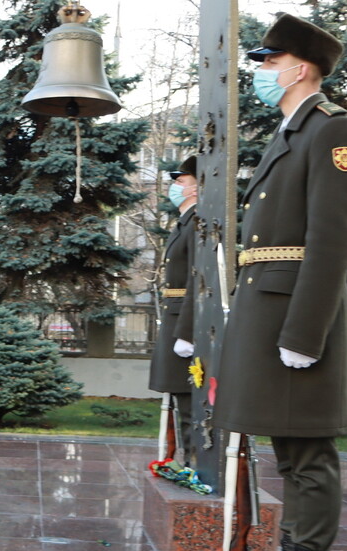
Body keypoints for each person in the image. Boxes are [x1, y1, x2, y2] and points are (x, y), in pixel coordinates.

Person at [211, 13, 347, 551]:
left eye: (269, 61)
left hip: (294, 315)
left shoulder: (332, 130)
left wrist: (304, 334)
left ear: (300, 69)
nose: (261, 70)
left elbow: (333, 239)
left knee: (308, 455)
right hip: (269, 308)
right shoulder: (293, 132)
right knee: (288, 450)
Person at [148, 156, 199, 464]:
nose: (174, 187)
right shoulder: (184, 222)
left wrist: (188, 330)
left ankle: (195, 464)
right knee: (180, 395)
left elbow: (198, 277)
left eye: (181, 182)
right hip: (175, 313)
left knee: (189, 398)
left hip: (184, 318)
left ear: (197, 189)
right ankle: (185, 460)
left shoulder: (197, 222)